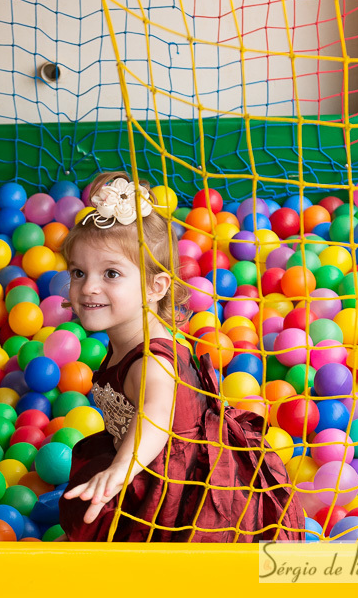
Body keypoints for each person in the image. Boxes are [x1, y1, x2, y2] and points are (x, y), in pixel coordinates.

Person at [56, 171, 304, 542]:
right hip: (151, 461)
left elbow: (154, 417)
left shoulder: (151, 361)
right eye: (78, 272)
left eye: (111, 273)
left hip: (187, 488)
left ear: (156, 288)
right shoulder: (128, 332)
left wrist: (122, 467)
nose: (88, 287)